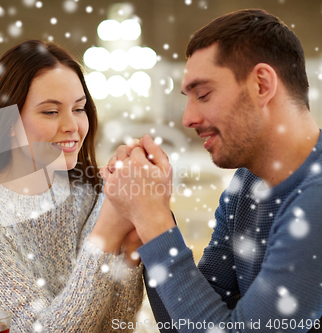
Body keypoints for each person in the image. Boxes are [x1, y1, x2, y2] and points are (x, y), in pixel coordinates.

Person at [101, 9, 322, 333]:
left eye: (203, 94)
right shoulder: (248, 183)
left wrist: (153, 220)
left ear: (262, 84)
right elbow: (187, 324)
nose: (187, 118)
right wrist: (148, 211)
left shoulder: (316, 202)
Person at [0, 40, 144, 333]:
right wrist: (104, 237)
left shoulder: (88, 196)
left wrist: (128, 255)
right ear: (8, 121)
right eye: (51, 112)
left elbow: (117, 327)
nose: (73, 126)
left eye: (79, 108)